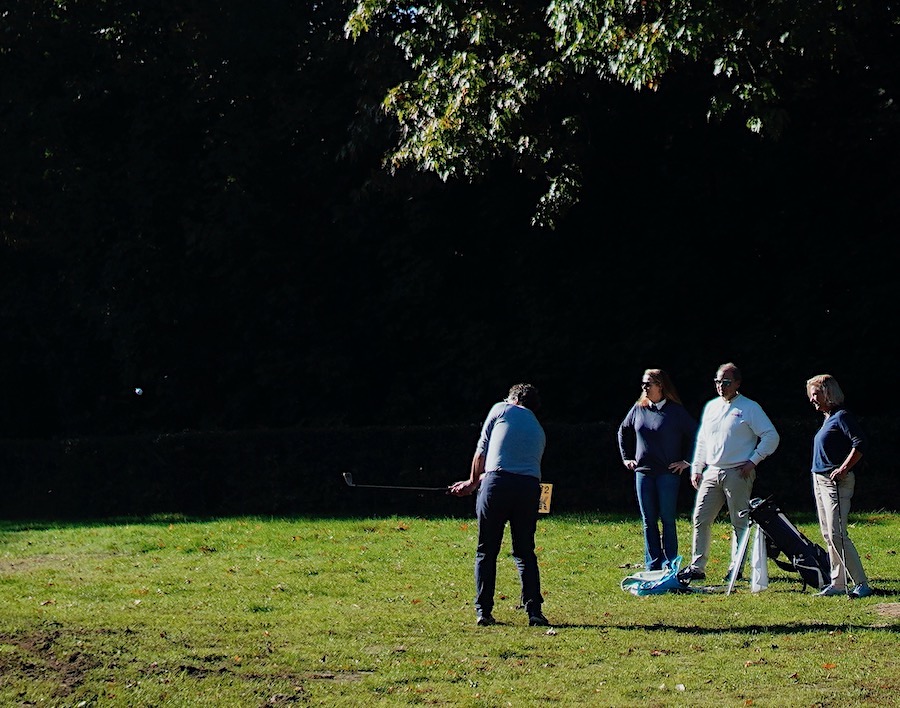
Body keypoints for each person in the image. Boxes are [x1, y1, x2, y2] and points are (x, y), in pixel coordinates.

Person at [449, 383, 548, 627]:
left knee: (487, 549)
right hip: (529, 488)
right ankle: (534, 611)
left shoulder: (501, 409)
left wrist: (472, 483)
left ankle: (484, 611)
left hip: (497, 485)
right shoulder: (538, 427)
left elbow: (481, 452)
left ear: (514, 399)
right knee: (525, 551)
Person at [685, 363, 780, 582]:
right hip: (712, 471)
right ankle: (697, 567)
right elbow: (702, 440)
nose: (721, 386)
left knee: (739, 521)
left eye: (726, 382)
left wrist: (753, 461)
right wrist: (697, 468)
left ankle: (736, 568)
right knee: (700, 518)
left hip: (738, 472)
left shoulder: (749, 407)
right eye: (718, 382)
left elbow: (771, 436)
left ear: (737, 383)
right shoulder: (711, 407)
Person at [617, 369, 697, 571]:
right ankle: (652, 564)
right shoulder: (638, 408)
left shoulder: (675, 411)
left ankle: (670, 563)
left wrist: (687, 461)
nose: (644, 387)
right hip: (643, 473)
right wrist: (627, 457)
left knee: (668, 519)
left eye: (648, 384)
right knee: (648, 520)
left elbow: (697, 434)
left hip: (667, 474)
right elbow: (623, 430)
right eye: (643, 384)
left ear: (660, 386)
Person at [806, 374, 872, 598]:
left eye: (815, 394)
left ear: (828, 393)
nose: (812, 399)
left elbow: (860, 443)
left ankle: (861, 583)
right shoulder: (828, 418)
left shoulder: (842, 416)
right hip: (820, 479)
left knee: (837, 534)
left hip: (836, 482)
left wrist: (843, 468)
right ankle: (838, 583)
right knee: (828, 534)